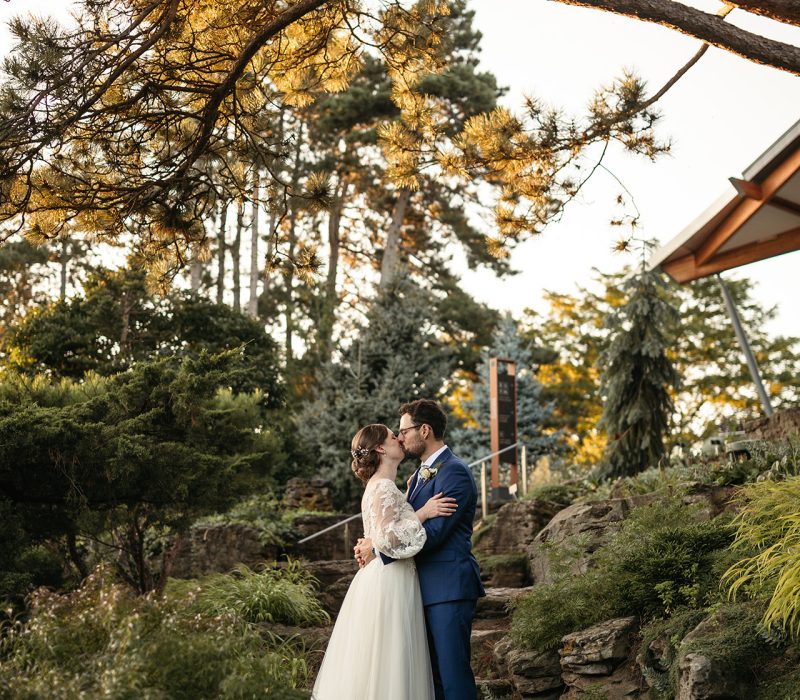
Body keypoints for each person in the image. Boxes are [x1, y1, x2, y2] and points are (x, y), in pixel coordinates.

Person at [312, 423, 458, 700]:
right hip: (389, 580)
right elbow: (390, 538)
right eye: (394, 436)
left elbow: (380, 535)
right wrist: (423, 513)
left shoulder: (387, 486)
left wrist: (374, 542)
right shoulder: (383, 488)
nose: (400, 439)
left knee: (387, 660)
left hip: (390, 575)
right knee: (390, 659)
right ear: (380, 448)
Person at [355, 399, 485, 700]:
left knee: (452, 678)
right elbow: (397, 525)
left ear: (424, 430)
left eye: (404, 431)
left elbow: (435, 534)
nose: (400, 438)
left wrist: (379, 549)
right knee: (431, 681)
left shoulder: (454, 472)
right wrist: (377, 540)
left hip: (447, 588)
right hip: (417, 589)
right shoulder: (416, 478)